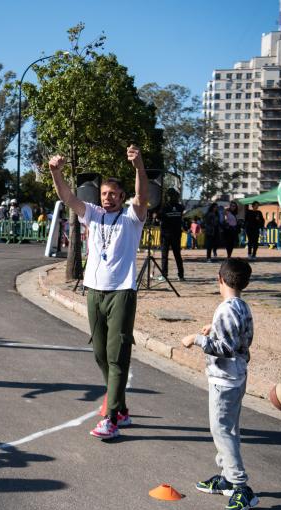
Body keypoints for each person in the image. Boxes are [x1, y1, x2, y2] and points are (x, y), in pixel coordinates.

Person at [49, 145, 148, 440]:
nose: (107, 198)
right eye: (104, 194)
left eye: (112, 194)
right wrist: (56, 172)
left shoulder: (132, 217)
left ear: (120, 196)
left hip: (121, 293)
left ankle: (111, 418)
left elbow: (142, 196)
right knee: (100, 354)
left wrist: (139, 167)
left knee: (117, 357)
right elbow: (67, 196)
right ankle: (122, 407)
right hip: (94, 292)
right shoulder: (91, 214)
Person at [182, 257, 258, 510]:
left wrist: (198, 339)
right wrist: (214, 328)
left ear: (220, 279)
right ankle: (226, 478)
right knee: (230, 429)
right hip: (237, 377)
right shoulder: (242, 306)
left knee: (221, 430)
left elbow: (225, 348)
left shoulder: (225, 309)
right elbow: (240, 337)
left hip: (224, 380)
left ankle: (240, 487)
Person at [158, 188, 185, 281]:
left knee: (165, 255)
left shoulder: (164, 207)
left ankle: (164, 275)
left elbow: (158, 217)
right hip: (175, 234)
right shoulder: (180, 207)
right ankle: (181, 275)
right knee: (177, 255)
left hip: (166, 234)